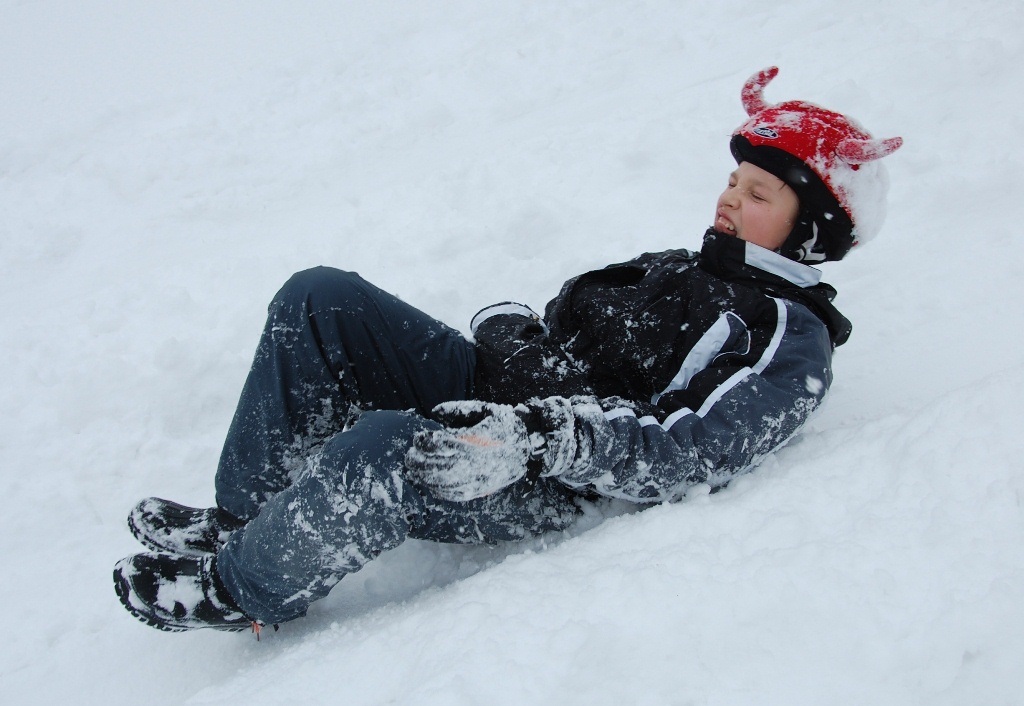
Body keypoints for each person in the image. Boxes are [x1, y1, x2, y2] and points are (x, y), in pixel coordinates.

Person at [113, 67, 902, 634]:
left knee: (386, 449)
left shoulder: (787, 339)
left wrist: (541, 438)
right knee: (321, 298)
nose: (731, 196)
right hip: (515, 398)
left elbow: (691, 451)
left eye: (759, 193)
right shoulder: (685, 266)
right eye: (735, 180)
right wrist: (515, 338)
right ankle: (246, 517)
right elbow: (568, 317)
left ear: (809, 231)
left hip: (553, 472)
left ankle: (244, 589)